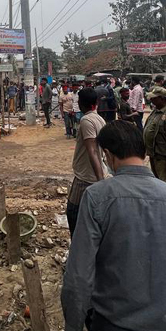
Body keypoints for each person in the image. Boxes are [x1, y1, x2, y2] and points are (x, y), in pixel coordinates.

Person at [61, 120, 166, 331]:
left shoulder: (97, 198)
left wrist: (73, 330)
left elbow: (79, 274)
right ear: (144, 152)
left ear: (109, 156)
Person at [67, 87, 107, 237]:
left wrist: (100, 180)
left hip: (85, 176)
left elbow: (92, 150)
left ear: (82, 103)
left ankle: (77, 247)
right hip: (93, 174)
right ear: (95, 103)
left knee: (73, 212)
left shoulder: (86, 121)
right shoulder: (100, 119)